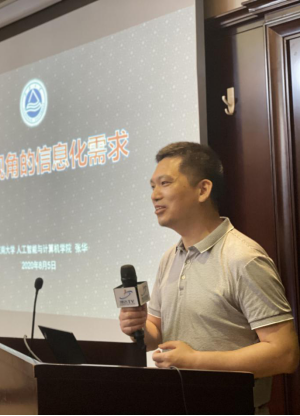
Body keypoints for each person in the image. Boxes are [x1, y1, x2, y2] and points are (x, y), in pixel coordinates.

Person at [119, 142, 299, 414]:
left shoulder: (243, 258)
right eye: (152, 186)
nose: (154, 195)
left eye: (165, 183)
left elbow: (285, 354)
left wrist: (196, 361)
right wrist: (139, 327)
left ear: (203, 189)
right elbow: (156, 333)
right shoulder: (170, 257)